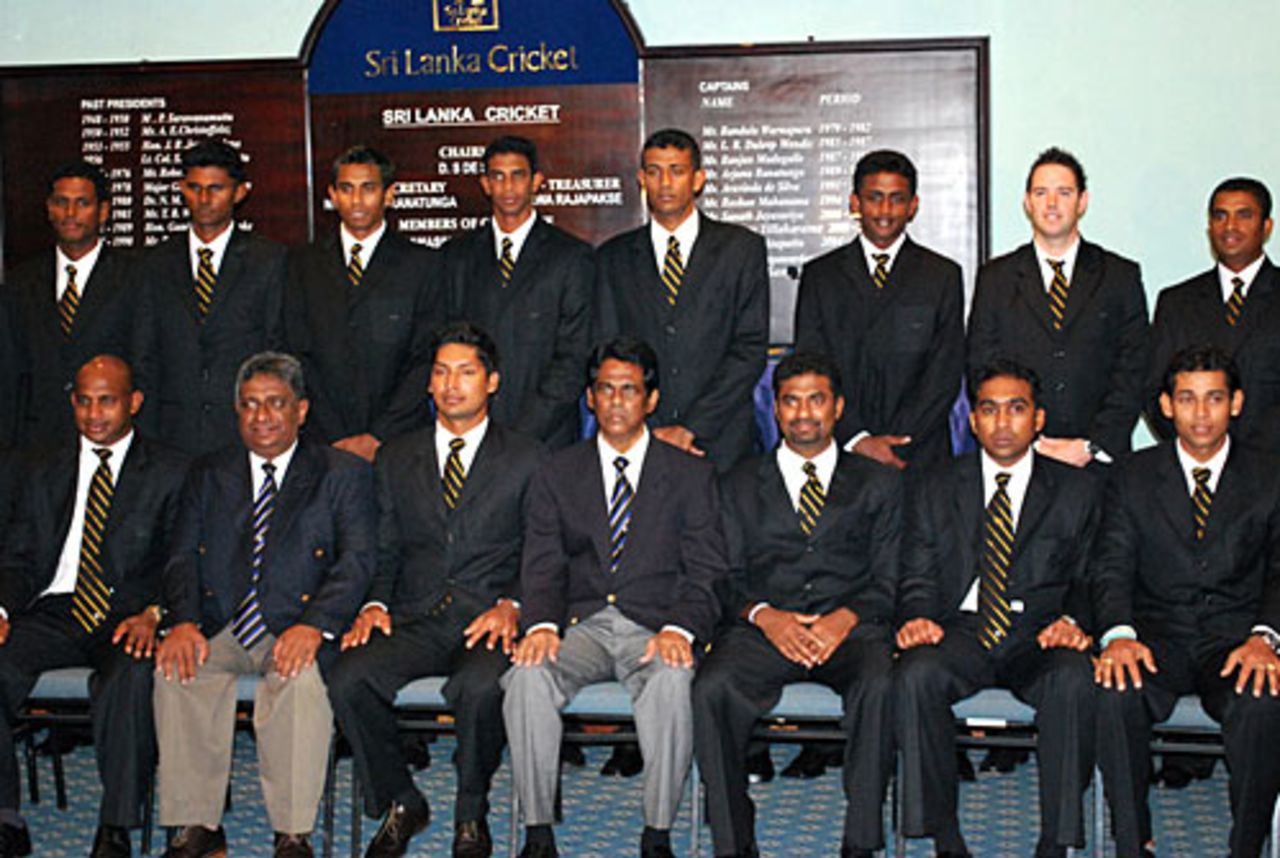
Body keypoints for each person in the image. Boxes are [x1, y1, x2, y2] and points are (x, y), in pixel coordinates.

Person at [502, 336, 727, 858]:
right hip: (581, 625)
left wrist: (681, 629)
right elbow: (541, 560)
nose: (616, 401)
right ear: (590, 398)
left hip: (655, 626)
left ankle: (657, 832)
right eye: (605, 389)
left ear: (650, 400)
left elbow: (708, 570)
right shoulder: (557, 471)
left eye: (629, 390)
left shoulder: (690, 474)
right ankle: (537, 833)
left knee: (673, 679)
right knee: (526, 676)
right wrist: (539, 626)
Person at [327, 322, 544, 858]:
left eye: (466, 372)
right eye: (442, 372)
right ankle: (402, 799)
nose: (452, 384)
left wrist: (513, 604)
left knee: (480, 689)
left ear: (491, 381)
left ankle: (471, 812)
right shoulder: (397, 456)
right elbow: (385, 546)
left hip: (487, 618)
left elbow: (544, 551)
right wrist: (374, 604)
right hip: (416, 615)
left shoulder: (529, 456)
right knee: (348, 675)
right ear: (429, 383)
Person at [153, 351, 375, 858]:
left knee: (298, 681)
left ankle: (292, 833)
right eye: (250, 405)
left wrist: (316, 624)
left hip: (296, 623)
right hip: (223, 621)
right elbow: (180, 555)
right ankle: (197, 825)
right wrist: (184, 621)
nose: (262, 417)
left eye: (275, 403)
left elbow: (359, 560)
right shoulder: (209, 472)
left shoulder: (339, 472)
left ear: (301, 410)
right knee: (178, 670)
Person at [692, 351, 900, 858]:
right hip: (764, 629)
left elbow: (892, 576)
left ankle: (861, 842)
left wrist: (844, 619)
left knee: (881, 684)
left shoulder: (881, 483)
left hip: (851, 630)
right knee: (711, 688)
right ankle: (733, 841)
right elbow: (722, 576)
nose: (803, 413)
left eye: (816, 400)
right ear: (775, 409)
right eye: (790, 401)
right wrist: (766, 616)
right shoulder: (736, 482)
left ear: (838, 407)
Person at [894, 359, 1100, 858]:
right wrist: (918, 613)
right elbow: (917, 568)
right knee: (916, 674)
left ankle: (1056, 841)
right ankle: (943, 836)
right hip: (960, 630)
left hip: (1039, 635)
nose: (1002, 422)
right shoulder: (936, 483)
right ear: (972, 421)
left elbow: (1095, 574)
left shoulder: (1078, 488)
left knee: (1074, 678)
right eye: (989, 409)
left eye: (1016, 409)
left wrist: (1074, 623)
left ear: (1038, 419)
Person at [1093, 344, 1280, 858]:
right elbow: (1110, 566)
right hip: (1157, 638)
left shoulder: (1270, 475)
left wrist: (1267, 637)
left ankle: (1247, 847)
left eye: (1214, 398)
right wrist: (1118, 636)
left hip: (1235, 640)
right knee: (1114, 691)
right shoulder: (1131, 475)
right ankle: (1134, 842)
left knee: (1264, 699)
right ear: (1166, 405)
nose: (1201, 413)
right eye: (1188, 399)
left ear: (1236, 403)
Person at [0, 355, 188, 858]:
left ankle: (115, 827)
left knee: (128, 678)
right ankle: (5, 817)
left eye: (106, 400)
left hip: (127, 616)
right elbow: (17, 556)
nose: (94, 413)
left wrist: (155, 614)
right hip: (52, 610)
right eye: (83, 400)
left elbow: (181, 562)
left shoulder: (171, 470)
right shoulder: (39, 467)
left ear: (134, 403)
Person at [596, 128, 768, 472]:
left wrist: (691, 428)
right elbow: (609, 348)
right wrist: (649, 425)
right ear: (642, 179)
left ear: (698, 179)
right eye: (655, 171)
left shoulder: (741, 249)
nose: (665, 183)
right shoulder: (613, 257)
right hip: (640, 438)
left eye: (677, 170)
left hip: (722, 441)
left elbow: (749, 348)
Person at [967, 147, 1148, 468]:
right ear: (1027, 202)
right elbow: (981, 366)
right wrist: (1027, 440)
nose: (1052, 204)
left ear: (1082, 202)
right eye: (1041, 193)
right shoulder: (996, 278)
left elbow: (1135, 368)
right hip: (1021, 459)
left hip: (1100, 462)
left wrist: (1094, 444)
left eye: (1064, 193)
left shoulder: (1119, 276)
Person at [794, 148, 964, 470]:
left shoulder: (941, 275)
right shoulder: (821, 275)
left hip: (918, 455)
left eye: (897, 199)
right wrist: (857, 438)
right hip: (842, 451)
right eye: (874, 197)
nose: (885, 210)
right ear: (855, 203)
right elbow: (812, 365)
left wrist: (901, 440)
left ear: (913, 206)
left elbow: (944, 372)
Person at [285, 145, 442, 461]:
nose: (356, 201)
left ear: (389, 194)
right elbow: (296, 350)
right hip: (323, 440)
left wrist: (379, 436)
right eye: (346, 189)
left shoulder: (423, 265)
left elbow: (426, 357)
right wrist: (336, 436)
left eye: (368, 189)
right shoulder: (302, 263)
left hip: (401, 441)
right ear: (332, 194)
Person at [133, 138, 287, 456]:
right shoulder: (154, 262)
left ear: (239, 192)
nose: (203, 199)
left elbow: (277, 347)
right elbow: (143, 353)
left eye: (216, 188)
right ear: (181, 188)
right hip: (170, 436)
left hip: (244, 431)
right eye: (194, 187)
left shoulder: (268, 260)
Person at [441, 136, 595, 449]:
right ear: (485, 184)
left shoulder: (571, 256)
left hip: (547, 438)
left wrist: (523, 432)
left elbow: (575, 356)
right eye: (498, 176)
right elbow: (448, 344)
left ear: (536, 181)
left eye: (518, 175)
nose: (508, 187)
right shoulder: (456, 256)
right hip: (472, 434)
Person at [6, 161, 136, 445]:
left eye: (82, 203)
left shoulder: (136, 277)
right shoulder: (20, 283)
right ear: (49, 209)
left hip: (111, 439)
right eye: (61, 202)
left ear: (103, 212)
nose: (70, 213)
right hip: (38, 444)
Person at [1148, 178, 1279, 451]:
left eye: (1244, 215)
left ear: (1267, 226)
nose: (1230, 227)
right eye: (1220, 216)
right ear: (1209, 227)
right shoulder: (1176, 302)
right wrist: (1198, 450)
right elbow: (1155, 391)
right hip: (1196, 469)